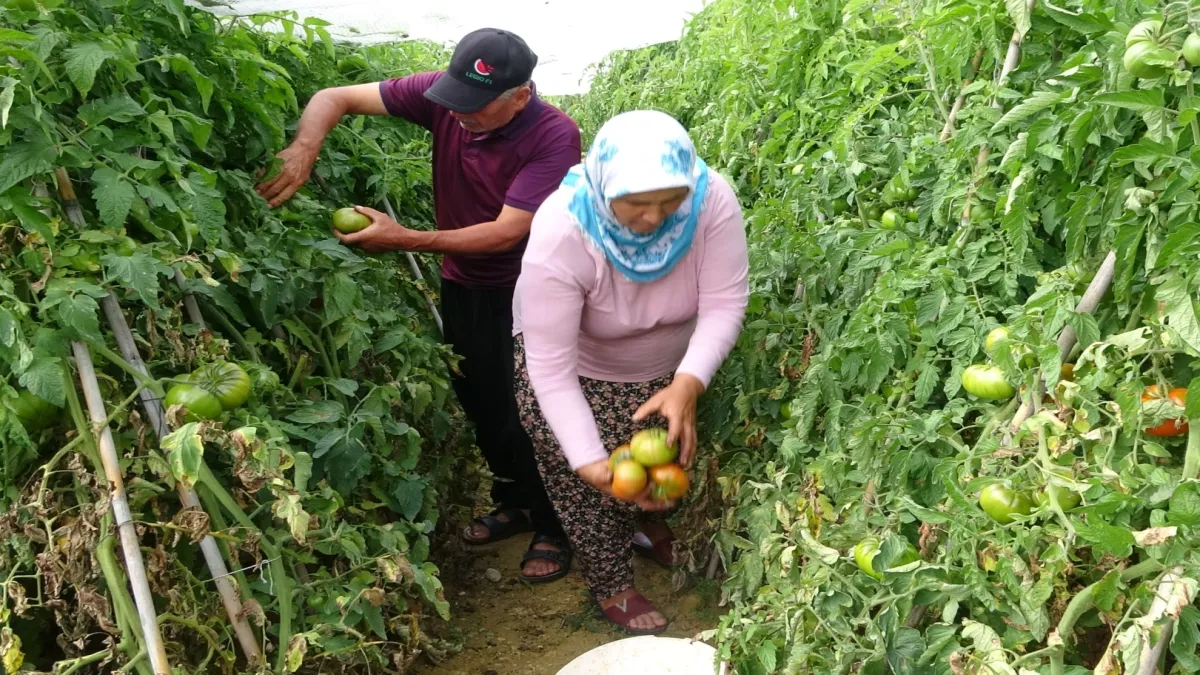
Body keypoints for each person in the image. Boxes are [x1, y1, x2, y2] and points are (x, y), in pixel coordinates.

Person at [256, 28, 581, 583]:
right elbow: (333, 97)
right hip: (464, 282)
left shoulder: (554, 136)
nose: (460, 116)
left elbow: (507, 233)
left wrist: (404, 238)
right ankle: (516, 500)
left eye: (477, 108)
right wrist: (305, 146)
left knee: (530, 408)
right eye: (456, 102)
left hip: (529, 288)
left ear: (520, 96)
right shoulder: (446, 99)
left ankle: (556, 521)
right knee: (480, 398)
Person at [512, 110, 749, 634]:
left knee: (660, 466)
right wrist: (587, 460)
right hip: (578, 375)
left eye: (670, 203)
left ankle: (647, 527)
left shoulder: (711, 200)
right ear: (602, 188)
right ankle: (612, 584)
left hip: (668, 371)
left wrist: (688, 381)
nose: (654, 219)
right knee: (591, 492)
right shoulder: (562, 230)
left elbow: (725, 301)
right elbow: (550, 372)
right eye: (636, 205)